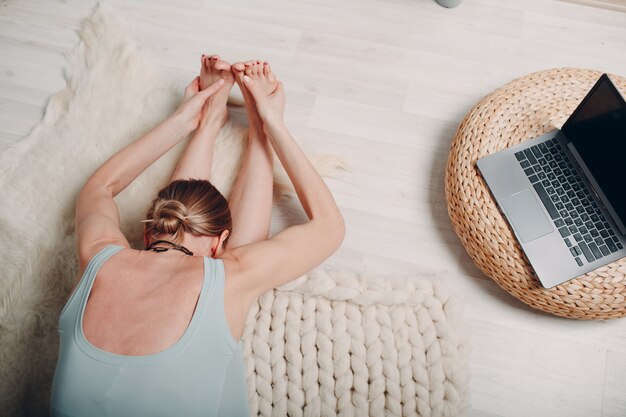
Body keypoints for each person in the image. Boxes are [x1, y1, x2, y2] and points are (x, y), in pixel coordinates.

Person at [49, 55, 345, 417]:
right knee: (233, 279)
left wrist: (181, 121)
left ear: (147, 234)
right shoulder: (229, 274)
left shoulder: (100, 259)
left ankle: (207, 123)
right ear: (220, 245)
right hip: (216, 261)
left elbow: (98, 187)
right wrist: (274, 124)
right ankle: (259, 137)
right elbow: (329, 227)